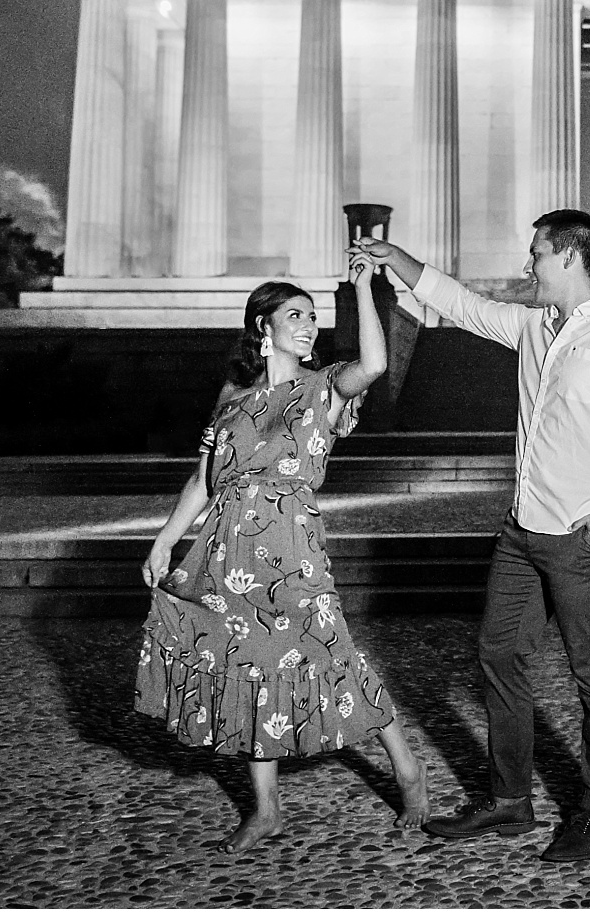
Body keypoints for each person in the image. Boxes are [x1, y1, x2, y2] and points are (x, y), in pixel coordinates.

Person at [355, 210, 590, 863]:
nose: (528, 265)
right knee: (498, 655)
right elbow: (461, 303)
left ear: (568, 257)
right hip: (523, 530)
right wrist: (394, 256)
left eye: (536, 254)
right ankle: (509, 800)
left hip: (584, 536)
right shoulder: (533, 327)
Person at [135, 250, 428, 853]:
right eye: (294, 314)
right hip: (229, 551)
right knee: (247, 668)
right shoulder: (233, 397)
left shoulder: (324, 388)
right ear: (263, 329)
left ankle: (407, 768)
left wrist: (366, 287)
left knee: (331, 652)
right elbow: (203, 478)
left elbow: (374, 362)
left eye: (312, 315)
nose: (307, 324)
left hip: (292, 545)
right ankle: (267, 809)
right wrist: (166, 540)